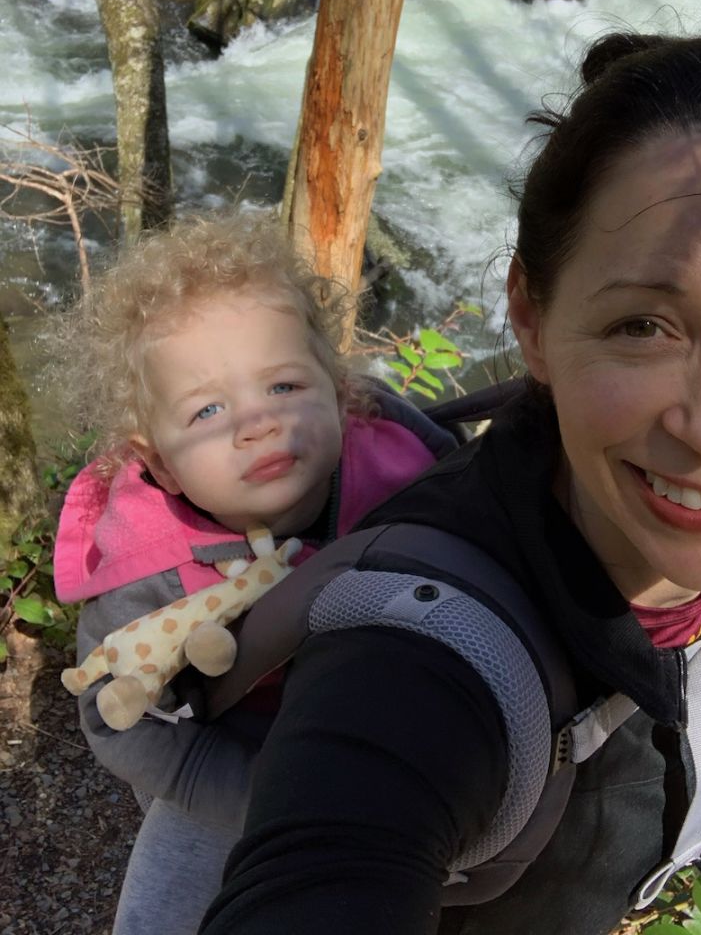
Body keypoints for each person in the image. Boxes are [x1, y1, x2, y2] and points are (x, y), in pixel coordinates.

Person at [198, 34, 701, 935]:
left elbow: (694, 685)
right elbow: (326, 864)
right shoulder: (417, 662)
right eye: (644, 325)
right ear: (531, 319)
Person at [52, 210, 458, 935]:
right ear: (161, 462)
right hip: (235, 760)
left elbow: (481, 509)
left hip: (392, 714)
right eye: (208, 408)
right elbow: (118, 724)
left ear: (338, 389)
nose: (256, 424)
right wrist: (265, 798)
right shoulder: (150, 570)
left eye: (282, 387)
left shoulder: (402, 453)